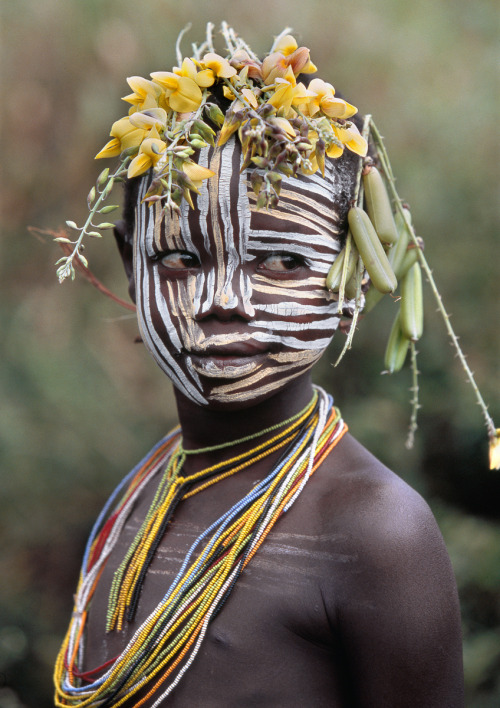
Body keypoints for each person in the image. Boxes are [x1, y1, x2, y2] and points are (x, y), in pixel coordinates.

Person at [54, 25, 465, 707]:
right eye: (180, 259)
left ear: (353, 276)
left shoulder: (376, 533)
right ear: (132, 269)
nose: (224, 302)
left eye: (281, 259)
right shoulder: (132, 505)